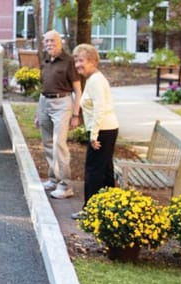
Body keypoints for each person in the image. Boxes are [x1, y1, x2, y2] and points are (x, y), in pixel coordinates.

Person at [71, 43, 119, 220]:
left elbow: (100, 108)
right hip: (106, 129)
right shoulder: (93, 79)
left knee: (93, 171)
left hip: (103, 131)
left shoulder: (96, 81)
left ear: (92, 61)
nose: (78, 65)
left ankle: (90, 210)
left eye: (81, 60)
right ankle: (109, 207)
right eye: (76, 61)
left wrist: (93, 135)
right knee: (105, 170)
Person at [35, 30, 82, 199]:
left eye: (52, 41)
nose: (49, 44)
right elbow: (43, 87)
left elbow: (77, 89)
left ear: (60, 42)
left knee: (59, 143)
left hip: (62, 103)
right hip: (44, 102)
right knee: (47, 142)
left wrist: (76, 114)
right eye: (46, 41)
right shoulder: (45, 60)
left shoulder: (68, 61)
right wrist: (37, 113)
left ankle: (66, 185)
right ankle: (53, 178)